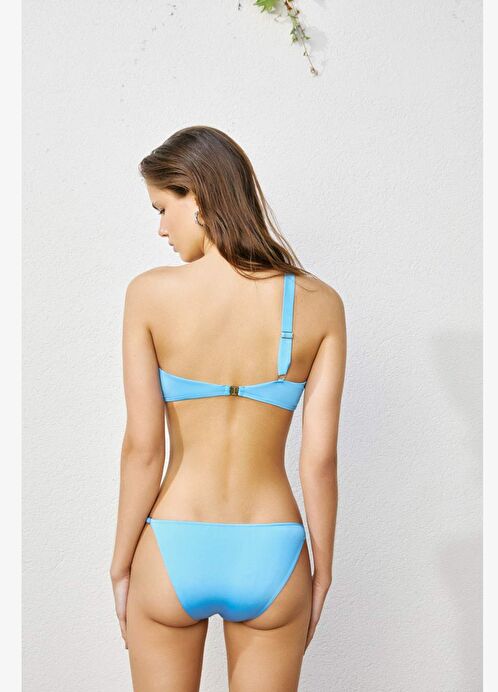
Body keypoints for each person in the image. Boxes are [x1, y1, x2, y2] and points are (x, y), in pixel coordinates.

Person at [109, 125, 347, 691]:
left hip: (173, 544)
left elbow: (144, 450)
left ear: (197, 194)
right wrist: (322, 571)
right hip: (273, 550)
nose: (161, 228)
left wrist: (120, 564)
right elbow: (319, 462)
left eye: (163, 208)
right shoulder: (320, 303)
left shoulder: (149, 294)